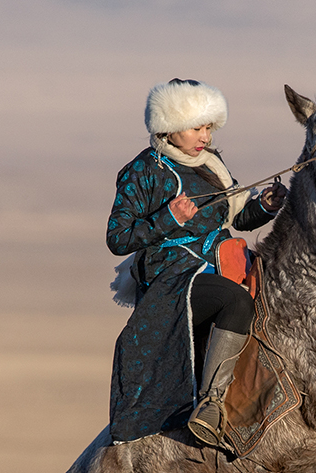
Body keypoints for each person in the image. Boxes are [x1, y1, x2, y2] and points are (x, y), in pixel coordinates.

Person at [107, 78, 286, 447]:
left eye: (208, 127)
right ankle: (211, 405)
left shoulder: (211, 164)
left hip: (221, 265)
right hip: (173, 277)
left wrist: (266, 206)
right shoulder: (143, 172)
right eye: (195, 127)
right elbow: (118, 238)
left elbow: (233, 219)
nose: (204, 136)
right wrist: (168, 220)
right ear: (169, 128)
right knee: (234, 300)